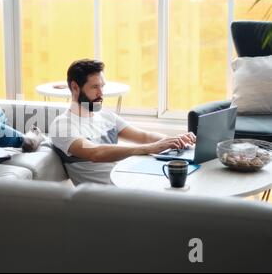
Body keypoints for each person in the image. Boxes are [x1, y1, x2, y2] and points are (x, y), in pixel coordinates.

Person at [50, 59, 196, 185]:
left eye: (102, 86)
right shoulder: (62, 125)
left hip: (128, 180)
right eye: (95, 87)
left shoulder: (106, 116)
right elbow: (95, 153)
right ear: (75, 87)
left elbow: (144, 136)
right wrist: (150, 148)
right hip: (108, 197)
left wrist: (176, 140)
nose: (101, 94)